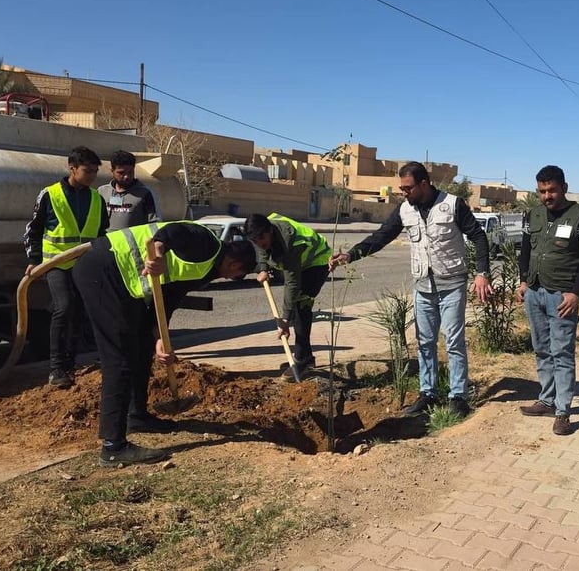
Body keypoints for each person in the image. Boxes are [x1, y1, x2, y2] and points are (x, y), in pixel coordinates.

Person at [72, 221, 257, 467]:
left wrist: (160, 337)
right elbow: (174, 232)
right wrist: (158, 250)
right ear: (235, 265)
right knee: (119, 358)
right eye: (238, 275)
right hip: (103, 269)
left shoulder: (205, 270)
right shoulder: (207, 243)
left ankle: (136, 415)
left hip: (125, 282)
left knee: (141, 344)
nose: (234, 278)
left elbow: (168, 299)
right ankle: (113, 446)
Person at [328, 162, 492, 419]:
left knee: (453, 342)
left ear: (423, 184)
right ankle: (428, 393)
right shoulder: (405, 210)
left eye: (407, 188)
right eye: (401, 188)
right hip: (423, 287)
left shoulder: (452, 204)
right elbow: (381, 237)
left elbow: (478, 237)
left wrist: (482, 274)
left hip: (452, 285)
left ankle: (458, 396)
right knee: (425, 343)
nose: (403, 192)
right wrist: (350, 255)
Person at [517, 165, 579, 436]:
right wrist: (523, 282)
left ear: (564, 187)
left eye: (551, 190)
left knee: (562, 352)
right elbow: (526, 249)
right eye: (542, 191)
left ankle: (563, 411)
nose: (547, 196)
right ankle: (547, 400)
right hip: (535, 293)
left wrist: (576, 293)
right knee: (541, 348)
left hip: (562, 296)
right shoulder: (533, 214)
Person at [23, 146, 109, 389]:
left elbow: (101, 233)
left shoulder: (96, 199)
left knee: (80, 313)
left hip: (86, 265)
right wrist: (34, 260)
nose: (91, 175)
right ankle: (56, 368)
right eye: (87, 170)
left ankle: (70, 365)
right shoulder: (50, 195)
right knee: (64, 307)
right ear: (72, 168)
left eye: (94, 171)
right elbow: (34, 230)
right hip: (57, 264)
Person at [244, 213, 331, 374]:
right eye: (255, 240)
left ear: (270, 230)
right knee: (297, 307)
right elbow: (263, 248)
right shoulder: (265, 233)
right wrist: (263, 268)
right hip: (302, 263)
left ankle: (302, 360)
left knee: (301, 305)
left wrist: (285, 319)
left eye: (262, 238)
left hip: (318, 261)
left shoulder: (291, 243)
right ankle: (306, 358)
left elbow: (292, 283)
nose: (259, 243)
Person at [99, 150, 160, 231]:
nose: (126, 177)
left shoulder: (145, 194)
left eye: (130, 172)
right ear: (112, 171)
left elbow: (154, 224)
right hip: (106, 243)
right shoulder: (102, 191)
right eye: (121, 173)